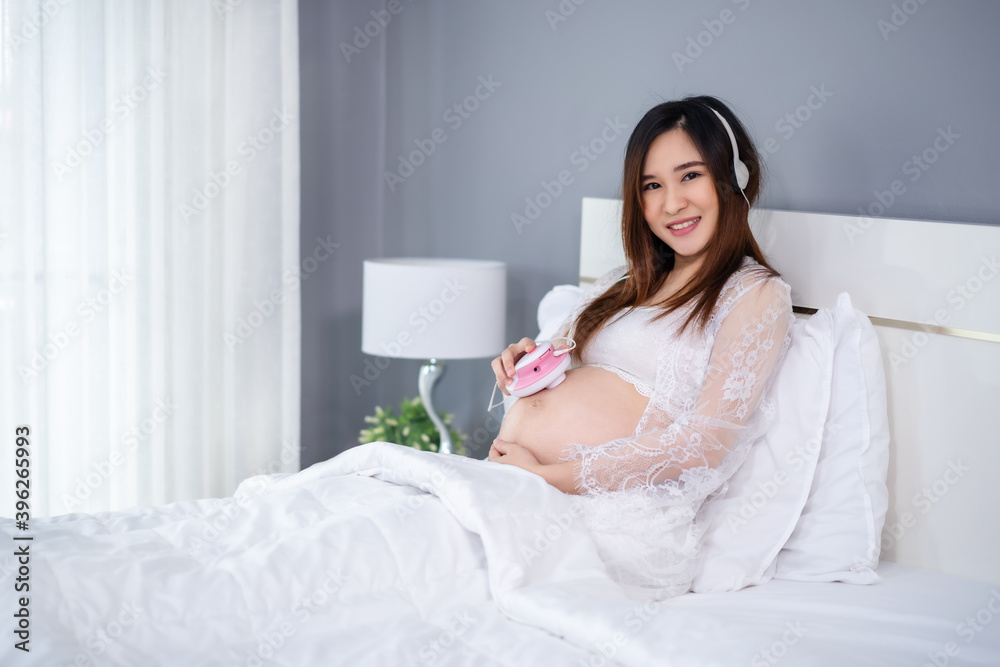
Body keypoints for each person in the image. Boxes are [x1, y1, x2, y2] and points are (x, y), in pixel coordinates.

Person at [486, 95, 795, 599]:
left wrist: (548, 477)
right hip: (522, 488)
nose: (672, 203)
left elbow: (704, 444)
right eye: (652, 186)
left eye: (690, 175)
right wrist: (524, 359)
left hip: (609, 520)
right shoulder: (619, 285)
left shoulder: (754, 294)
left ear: (733, 178)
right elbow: (558, 372)